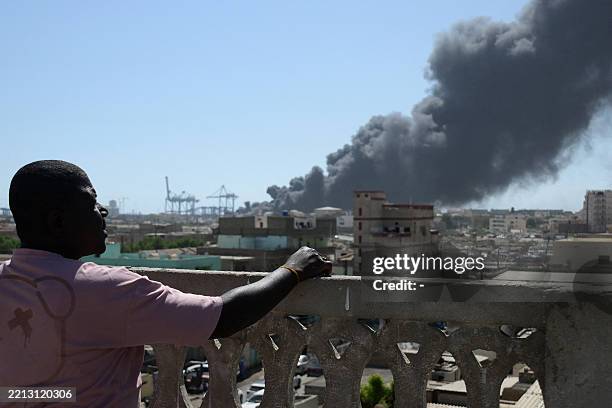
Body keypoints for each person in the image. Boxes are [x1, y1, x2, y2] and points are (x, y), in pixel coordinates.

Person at [0, 160, 332, 407]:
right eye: (91, 202)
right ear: (57, 221)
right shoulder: (107, 290)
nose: (103, 211)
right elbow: (222, 316)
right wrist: (292, 270)